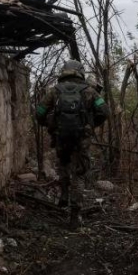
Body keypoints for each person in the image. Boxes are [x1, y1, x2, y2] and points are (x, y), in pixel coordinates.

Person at [36, 60, 109, 229]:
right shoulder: (90, 91)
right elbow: (104, 111)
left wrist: (50, 125)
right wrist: (91, 125)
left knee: (63, 165)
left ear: (64, 72)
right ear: (80, 72)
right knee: (79, 174)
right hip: (81, 139)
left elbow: (39, 112)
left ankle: (64, 194)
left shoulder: (54, 91)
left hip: (61, 136)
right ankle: (75, 215)